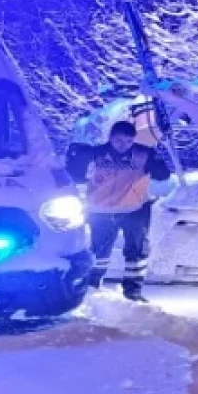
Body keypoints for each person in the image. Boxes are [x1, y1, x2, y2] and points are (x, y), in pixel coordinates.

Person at [66, 121, 171, 302]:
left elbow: (163, 175)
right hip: (101, 211)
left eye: (129, 141)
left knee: (137, 253)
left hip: (134, 210)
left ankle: (133, 291)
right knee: (99, 252)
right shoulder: (95, 154)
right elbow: (74, 174)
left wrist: (157, 160)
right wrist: (77, 157)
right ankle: (92, 286)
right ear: (110, 138)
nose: (124, 146)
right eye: (119, 141)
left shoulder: (143, 154)